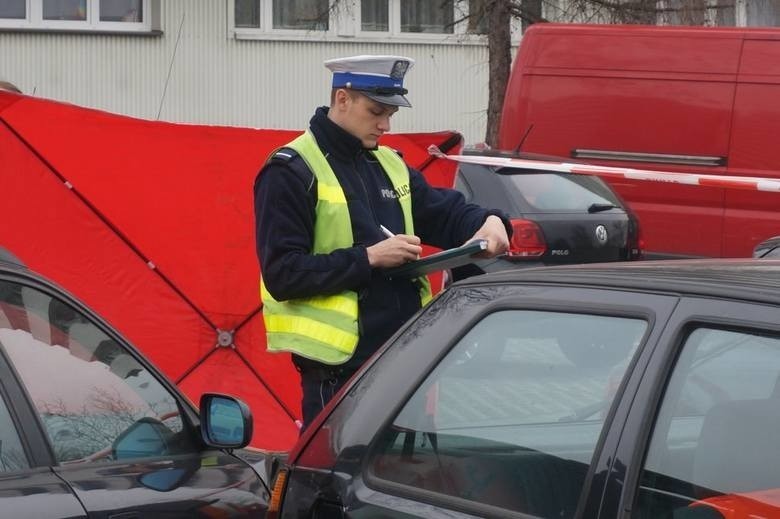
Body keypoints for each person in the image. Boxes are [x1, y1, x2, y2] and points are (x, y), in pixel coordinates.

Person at [254, 55, 511, 430]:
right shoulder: (291, 170)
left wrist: (489, 222)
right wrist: (370, 258)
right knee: (335, 482)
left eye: (391, 113)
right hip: (340, 375)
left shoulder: (388, 163)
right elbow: (282, 274)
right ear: (343, 99)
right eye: (376, 111)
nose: (386, 124)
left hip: (405, 361)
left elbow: (443, 213)